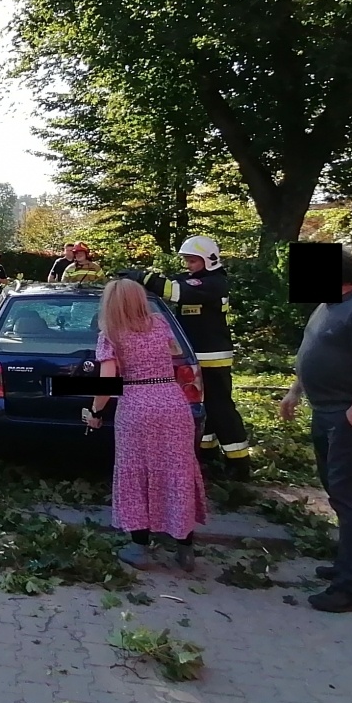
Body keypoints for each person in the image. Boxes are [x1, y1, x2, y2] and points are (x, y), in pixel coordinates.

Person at [281, 247, 352, 613]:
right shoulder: (326, 306)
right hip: (326, 411)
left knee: (347, 496)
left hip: (347, 416)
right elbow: (311, 353)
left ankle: (350, 589)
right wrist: (295, 391)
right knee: (339, 491)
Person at [86, 276, 206, 570]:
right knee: (177, 470)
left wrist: (95, 413)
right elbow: (175, 354)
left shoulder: (111, 334)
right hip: (172, 401)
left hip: (137, 404)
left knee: (136, 473)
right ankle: (185, 548)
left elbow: (107, 384)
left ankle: (139, 548)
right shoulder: (160, 324)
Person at [125, 236, 254, 480]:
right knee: (201, 407)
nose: (188, 265)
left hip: (212, 357)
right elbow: (177, 283)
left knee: (220, 408)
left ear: (209, 260)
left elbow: (175, 290)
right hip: (195, 355)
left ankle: (239, 463)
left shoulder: (214, 283)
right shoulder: (196, 280)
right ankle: (207, 452)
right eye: (187, 260)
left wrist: (142, 277)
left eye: (193, 261)